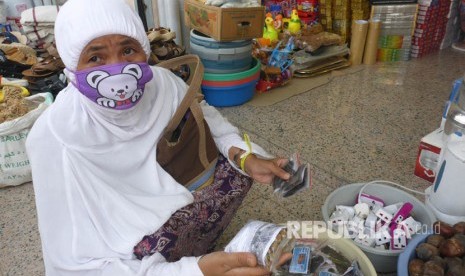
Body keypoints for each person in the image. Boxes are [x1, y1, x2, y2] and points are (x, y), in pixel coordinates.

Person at [26, 0, 291, 275]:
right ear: (71, 66)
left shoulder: (160, 84)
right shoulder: (54, 137)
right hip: (129, 245)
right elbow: (73, 266)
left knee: (235, 174)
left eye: (128, 50)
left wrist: (245, 156)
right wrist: (193, 272)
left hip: (171, 190)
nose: (118, 71)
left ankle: (196, 248)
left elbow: (206, 119)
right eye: (95, 58)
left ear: (144, 49)